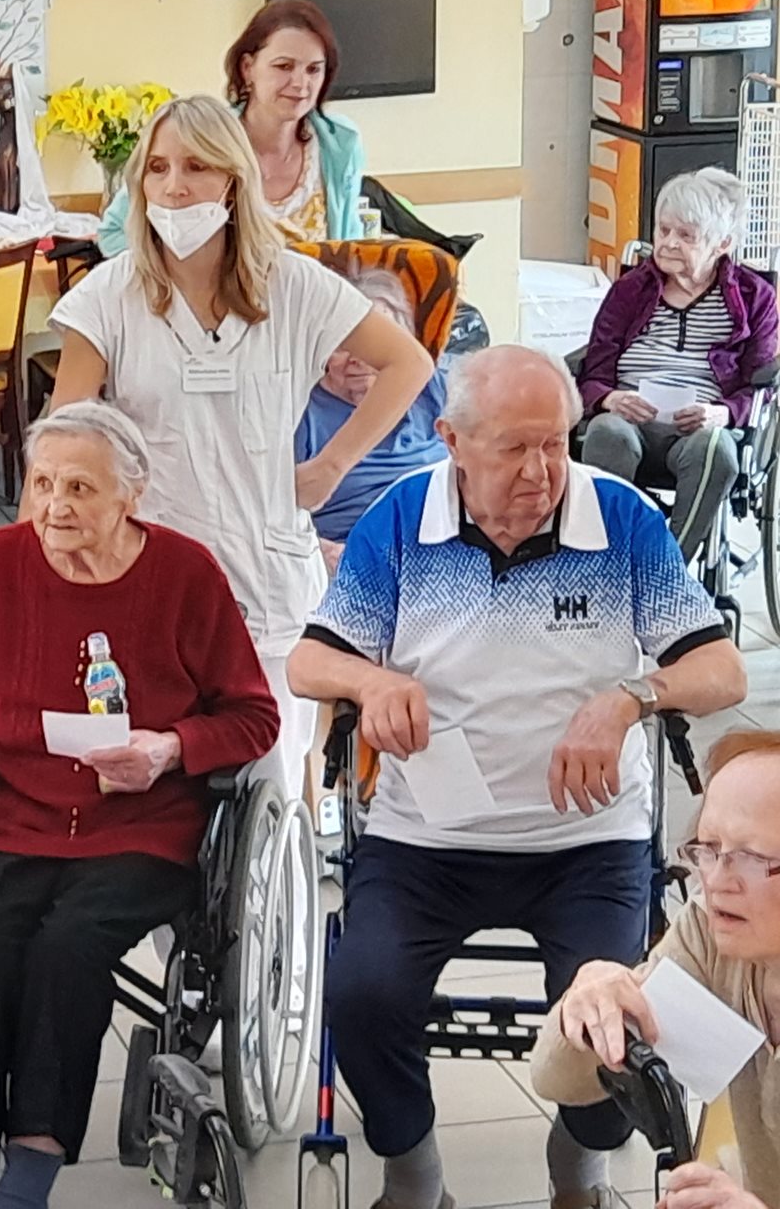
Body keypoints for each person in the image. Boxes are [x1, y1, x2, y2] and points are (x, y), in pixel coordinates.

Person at [288, 345, 748, 1209]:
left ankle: (579, 1168)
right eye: (514, 448)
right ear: (451, 440)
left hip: (587, 841)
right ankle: (414, 1175)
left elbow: (723, 671)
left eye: (556, 443)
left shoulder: (618, 519)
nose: (542, 471)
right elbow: (309, 662)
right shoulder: (401, 519)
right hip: (426, 839)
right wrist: (372, 681)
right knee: (363, 994)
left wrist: (631, 697)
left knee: (622, 1023)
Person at [0, 401, 279, 1209]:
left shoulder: (185, 575)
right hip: (14, 815)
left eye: (79, 487)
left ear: (131, 495)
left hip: (140, 827)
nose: (54, 506)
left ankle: (30, 1170)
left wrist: (168, 749)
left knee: (68, 948)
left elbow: (254, 716)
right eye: (42, 483)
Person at [46, 94, 431, 798]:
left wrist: (331, 465)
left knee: (274, 781)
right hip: (152, 567)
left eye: (196, 167)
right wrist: (38, 568)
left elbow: (409, 363)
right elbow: (60, 445)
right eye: (158, 168)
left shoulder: (294, 285)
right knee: (165, 785)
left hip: (266, 573)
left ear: (233, 180)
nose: (174, 187)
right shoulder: (108, 298)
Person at [534, 730, 780, 1209]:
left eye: (750, 858)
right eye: (708, 848)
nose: (716, 881)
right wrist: (585, 1010)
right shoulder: (712, 935)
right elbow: (559, 1082)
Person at [577, 168, 778, 562]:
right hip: (629, 421)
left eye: (686, 235)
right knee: (606, 432)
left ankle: (669, 567)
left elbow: (761, 385)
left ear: (722, 243)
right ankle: (610, 563)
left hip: (698, 429)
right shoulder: (631, 289)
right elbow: (595, 367)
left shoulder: (755, 296)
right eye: (664, 229)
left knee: (716, 450)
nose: (668, 243)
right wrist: (609, 399)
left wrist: (722, 413)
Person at [100, 0, 367, 253]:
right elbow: (113, 234)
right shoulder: (204, 137)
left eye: (313, 70)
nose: (300, 83)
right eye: (284, 66)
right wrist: (177, 271)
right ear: (247, 68)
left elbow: (350, 247)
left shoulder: (341, 144)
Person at [296, 265, 451, 567]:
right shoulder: (300, 413)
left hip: (447, 550)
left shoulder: (436, 389)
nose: (358, 358)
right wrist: (323, 552)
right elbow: (268, 515)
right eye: (342, 345)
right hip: (357, 561)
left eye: (378, 348)